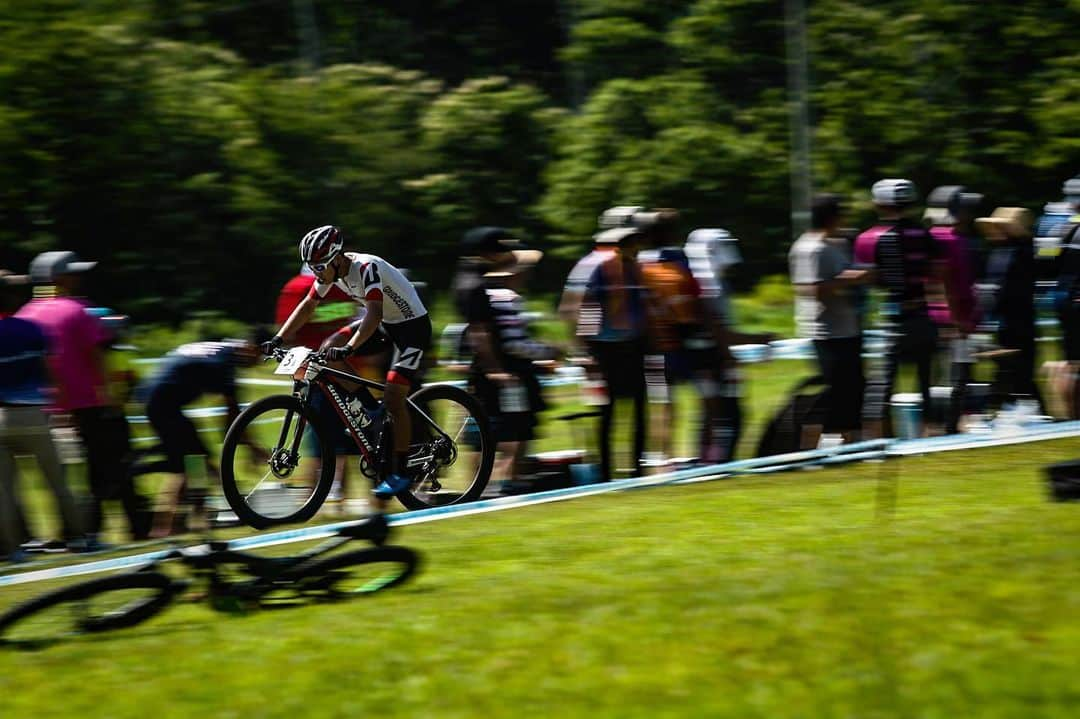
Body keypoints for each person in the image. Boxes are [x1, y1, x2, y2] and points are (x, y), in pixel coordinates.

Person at [265, 225, 432, 509]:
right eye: (312, 267)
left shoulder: (366, 267)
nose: (316, 273)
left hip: (411, 328)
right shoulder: (330, 270)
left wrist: (351, 347)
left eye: (319, 267)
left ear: (336, 257)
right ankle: (370, 408)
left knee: (394, 397)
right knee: (327, 346)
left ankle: (401, 470)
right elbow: (308, 305)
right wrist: (279, 337)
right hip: (385, 325)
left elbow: (374, 313)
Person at [16, 251, 148, 544]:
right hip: (90, 404)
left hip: (42, 406)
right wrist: (112, 398)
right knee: (110, 467)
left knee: (56, 476)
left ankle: (71, 532)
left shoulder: (24, 313)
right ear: (58, 278)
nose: (78, 278)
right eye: (72, 273)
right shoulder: (77, 310)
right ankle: (125, 527)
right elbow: (97, 355)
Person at [135, 336, 268, 536]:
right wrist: (253, 448)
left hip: (156, 399)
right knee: (192, 464)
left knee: (195, 463)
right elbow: (233, 421)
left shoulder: (220, 349)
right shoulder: (227, 363)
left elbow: (229, 423)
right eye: (259, 355)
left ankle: (195, 519)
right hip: (164, 405)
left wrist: (246, 445)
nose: (258, 362)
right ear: (250, 347)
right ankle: (166, 527)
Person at [460, 227, 556, 486]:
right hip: (511, 373)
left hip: (485, 371)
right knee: (517, 428)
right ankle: (510, 480)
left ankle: (478, 484)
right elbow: (514, 343)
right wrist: (548, 351)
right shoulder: (508, 298)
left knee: (483, 431)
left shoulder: (484, 292)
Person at [854, 179, 950, 439]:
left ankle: (878, 442)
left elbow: (868, 278)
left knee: (882, 384)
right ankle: (930, 438)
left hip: (892, 318)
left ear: (879, 204)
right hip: (923, 316)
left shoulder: (868, 238)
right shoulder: (924, 234)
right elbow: (937, 273)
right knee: (926, 382)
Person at [0, 270, 85, 560]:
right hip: (34, 415)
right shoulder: (32, 329)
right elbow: (52, 377)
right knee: (57, 483)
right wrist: (62, 412)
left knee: (5, 492)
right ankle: (78, 538)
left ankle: (13, 550)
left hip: (1, 418)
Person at [684, 228, 770, 461]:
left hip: (708, 355)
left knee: (714, 412)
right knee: (720, 412)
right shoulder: (708, 284)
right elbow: (718, 330)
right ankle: (715, 461)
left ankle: (711, 459)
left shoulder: (704, 280)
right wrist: (755, 341)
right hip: (709, 356)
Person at [789, 194, 869, 445]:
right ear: (833, 216)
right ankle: (805, 449)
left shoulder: (834, 244)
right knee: (831, 393)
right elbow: (809, 288)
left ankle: (851, 446)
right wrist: (852, 279)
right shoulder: (809, 248)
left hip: (848, 328)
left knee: (852, 392)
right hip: (827, 332)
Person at [582, 226, 650, 481]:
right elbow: (589, 307)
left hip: (634, 346)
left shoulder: (636, 270)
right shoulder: (601, 269)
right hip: (606, 350)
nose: (637, 247)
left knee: (638, 410)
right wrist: (589, 351)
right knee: (608, 412)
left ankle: (637, 468)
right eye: (633, 243)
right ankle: (605, 473)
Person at [924, 186, 984, 433]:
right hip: (955, 318)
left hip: (932, 315)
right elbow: (953, 283)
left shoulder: (928, 235)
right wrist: (960, 319)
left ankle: (934, 425)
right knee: (959, 375)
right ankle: (951, 428)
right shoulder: (954, 241)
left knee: (936, 375)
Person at [977, 207, 1045, 413]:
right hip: (1014, 320)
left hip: (1014, 321)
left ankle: (1027, 411)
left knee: (1015, 370)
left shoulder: (1016, 253)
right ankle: (1029, 411)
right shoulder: (1011, 251)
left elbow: (1006, 289)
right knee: (1016, 370)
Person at [275, 265, 357, 350]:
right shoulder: (345, 285)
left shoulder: (298, 287)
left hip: (310, 350)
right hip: (340, 349)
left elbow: (285, 325)